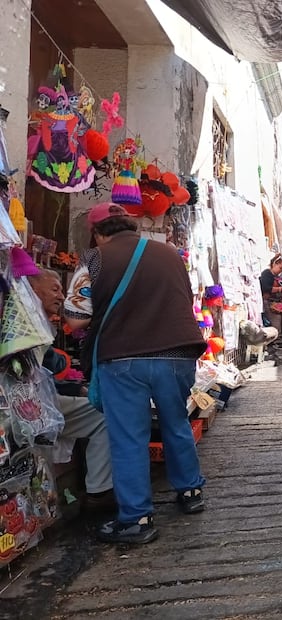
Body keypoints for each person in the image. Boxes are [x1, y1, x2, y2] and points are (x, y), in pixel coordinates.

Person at [63, 202, 207, 545]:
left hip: (123, 358)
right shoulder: (170, 254)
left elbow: (76, 319)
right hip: (177, 353)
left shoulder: (95, 260)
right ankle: (190, 493)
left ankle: (137, 518)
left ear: (97, 234)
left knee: (129, 437)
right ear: (132, 227)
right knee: (176, 423)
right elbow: (182, 300)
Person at [29, 269, 115, 512]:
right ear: (34, 290)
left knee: (101, 411)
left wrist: (74, 385)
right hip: (30, 405)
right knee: (103, 414)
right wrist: (59, 361)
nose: (60, 296)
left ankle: (98, 492)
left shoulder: (37, 319)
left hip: (39, 400)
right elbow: (49, 365)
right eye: (54, 289)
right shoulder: (29, 321)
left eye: (62, 290)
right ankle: (99, 491)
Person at [259, 255, 282, 344]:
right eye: (280, 268)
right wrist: (281, 289)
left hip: (278, 302)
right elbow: (266, 288)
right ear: (274, 264)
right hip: (270, 302)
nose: (281, 270)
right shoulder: (267, 274)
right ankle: (277, 339)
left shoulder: (278, 277)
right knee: (276, 319)